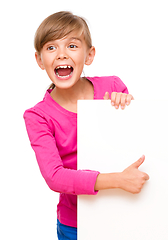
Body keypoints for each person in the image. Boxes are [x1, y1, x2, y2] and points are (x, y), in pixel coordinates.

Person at [23, 11, 149, 240]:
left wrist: (126, 104)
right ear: (40, 60)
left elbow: (134, 145)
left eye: (72, 45)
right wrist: (117, 180)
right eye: (51, 48)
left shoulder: (113, 87)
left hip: (125, 211)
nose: (61, 54)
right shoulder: (38, 116)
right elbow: (55, 177)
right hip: (77, 225)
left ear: (89, 55)